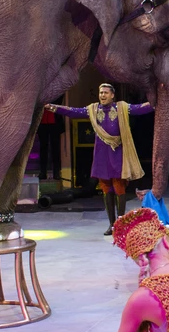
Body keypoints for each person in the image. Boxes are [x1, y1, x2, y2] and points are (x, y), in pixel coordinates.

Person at [48, 84, 154, 234]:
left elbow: (141, 108)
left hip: (117, 153)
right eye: (100, 93)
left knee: (119, 188)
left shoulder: (121, 108)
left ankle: (121, 224)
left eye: (105, 93)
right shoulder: (93, 110)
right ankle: (111, 225)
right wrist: (54, 107)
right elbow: (73, 112)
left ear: (112, 95)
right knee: (106, 189)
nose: (102, 95)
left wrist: (158, 102)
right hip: (101, 155)